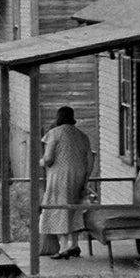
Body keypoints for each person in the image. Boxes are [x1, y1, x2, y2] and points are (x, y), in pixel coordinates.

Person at [40, 105, 93, 259]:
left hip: (59, 177)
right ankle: (74, 245)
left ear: (58, 117)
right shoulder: (82, 136)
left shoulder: (54, 134)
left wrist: (41, 162)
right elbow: (90, 160)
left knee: (59, 208)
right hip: (78, 176)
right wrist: (85, 179)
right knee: (74, 209)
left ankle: (63, 248)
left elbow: (49, 158)